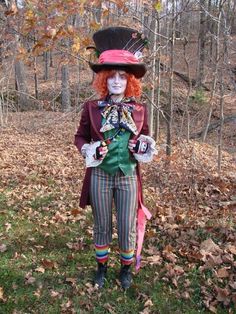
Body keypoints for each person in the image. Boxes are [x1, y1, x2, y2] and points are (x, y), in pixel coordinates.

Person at [74, 27, 156, 289]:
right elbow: (80, 137)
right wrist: (89, 149)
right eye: (112, 77)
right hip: (100, 174)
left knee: (127, 225)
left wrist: (140, 147)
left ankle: (125, 270)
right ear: (104, 80)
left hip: (128, 176)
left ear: (129, 80)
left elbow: (144, 138)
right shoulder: (91, 108)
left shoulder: (140, 110)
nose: (117, 82)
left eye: (122, 77)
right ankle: (101, 268)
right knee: (101, 224)